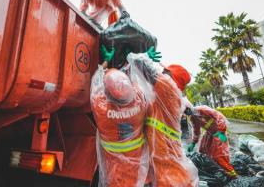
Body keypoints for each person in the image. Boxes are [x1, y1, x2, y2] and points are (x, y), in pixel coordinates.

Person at [127, 49, 198, 187]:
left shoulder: (168, 88)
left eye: (166, 71)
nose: (163, 72)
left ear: (172, 77)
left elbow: (138, 62)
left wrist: (145, 56)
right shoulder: (170, 94)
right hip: (164, 150)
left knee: (170, 180)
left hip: (163, 153)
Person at [90, 46, 148, 187]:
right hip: (136, 171)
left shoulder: (101, 110)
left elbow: (95, 83)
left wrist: (105, 63)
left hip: (114, 174)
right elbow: (136, 82)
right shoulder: (140, 103)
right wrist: (131, 63)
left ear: (106, 93)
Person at [186, 105, 238, 178]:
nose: (186, 112)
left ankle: (231, 172)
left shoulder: (202, 110)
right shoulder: (193, 117)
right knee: (202, 150)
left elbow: (218, 116)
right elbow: (196, 130)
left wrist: (221, 131)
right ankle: (214, 167)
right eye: (184, 111)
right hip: (210, 132)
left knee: (218, 154)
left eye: (186, 109)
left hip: (218, 132)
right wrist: (193, 142)